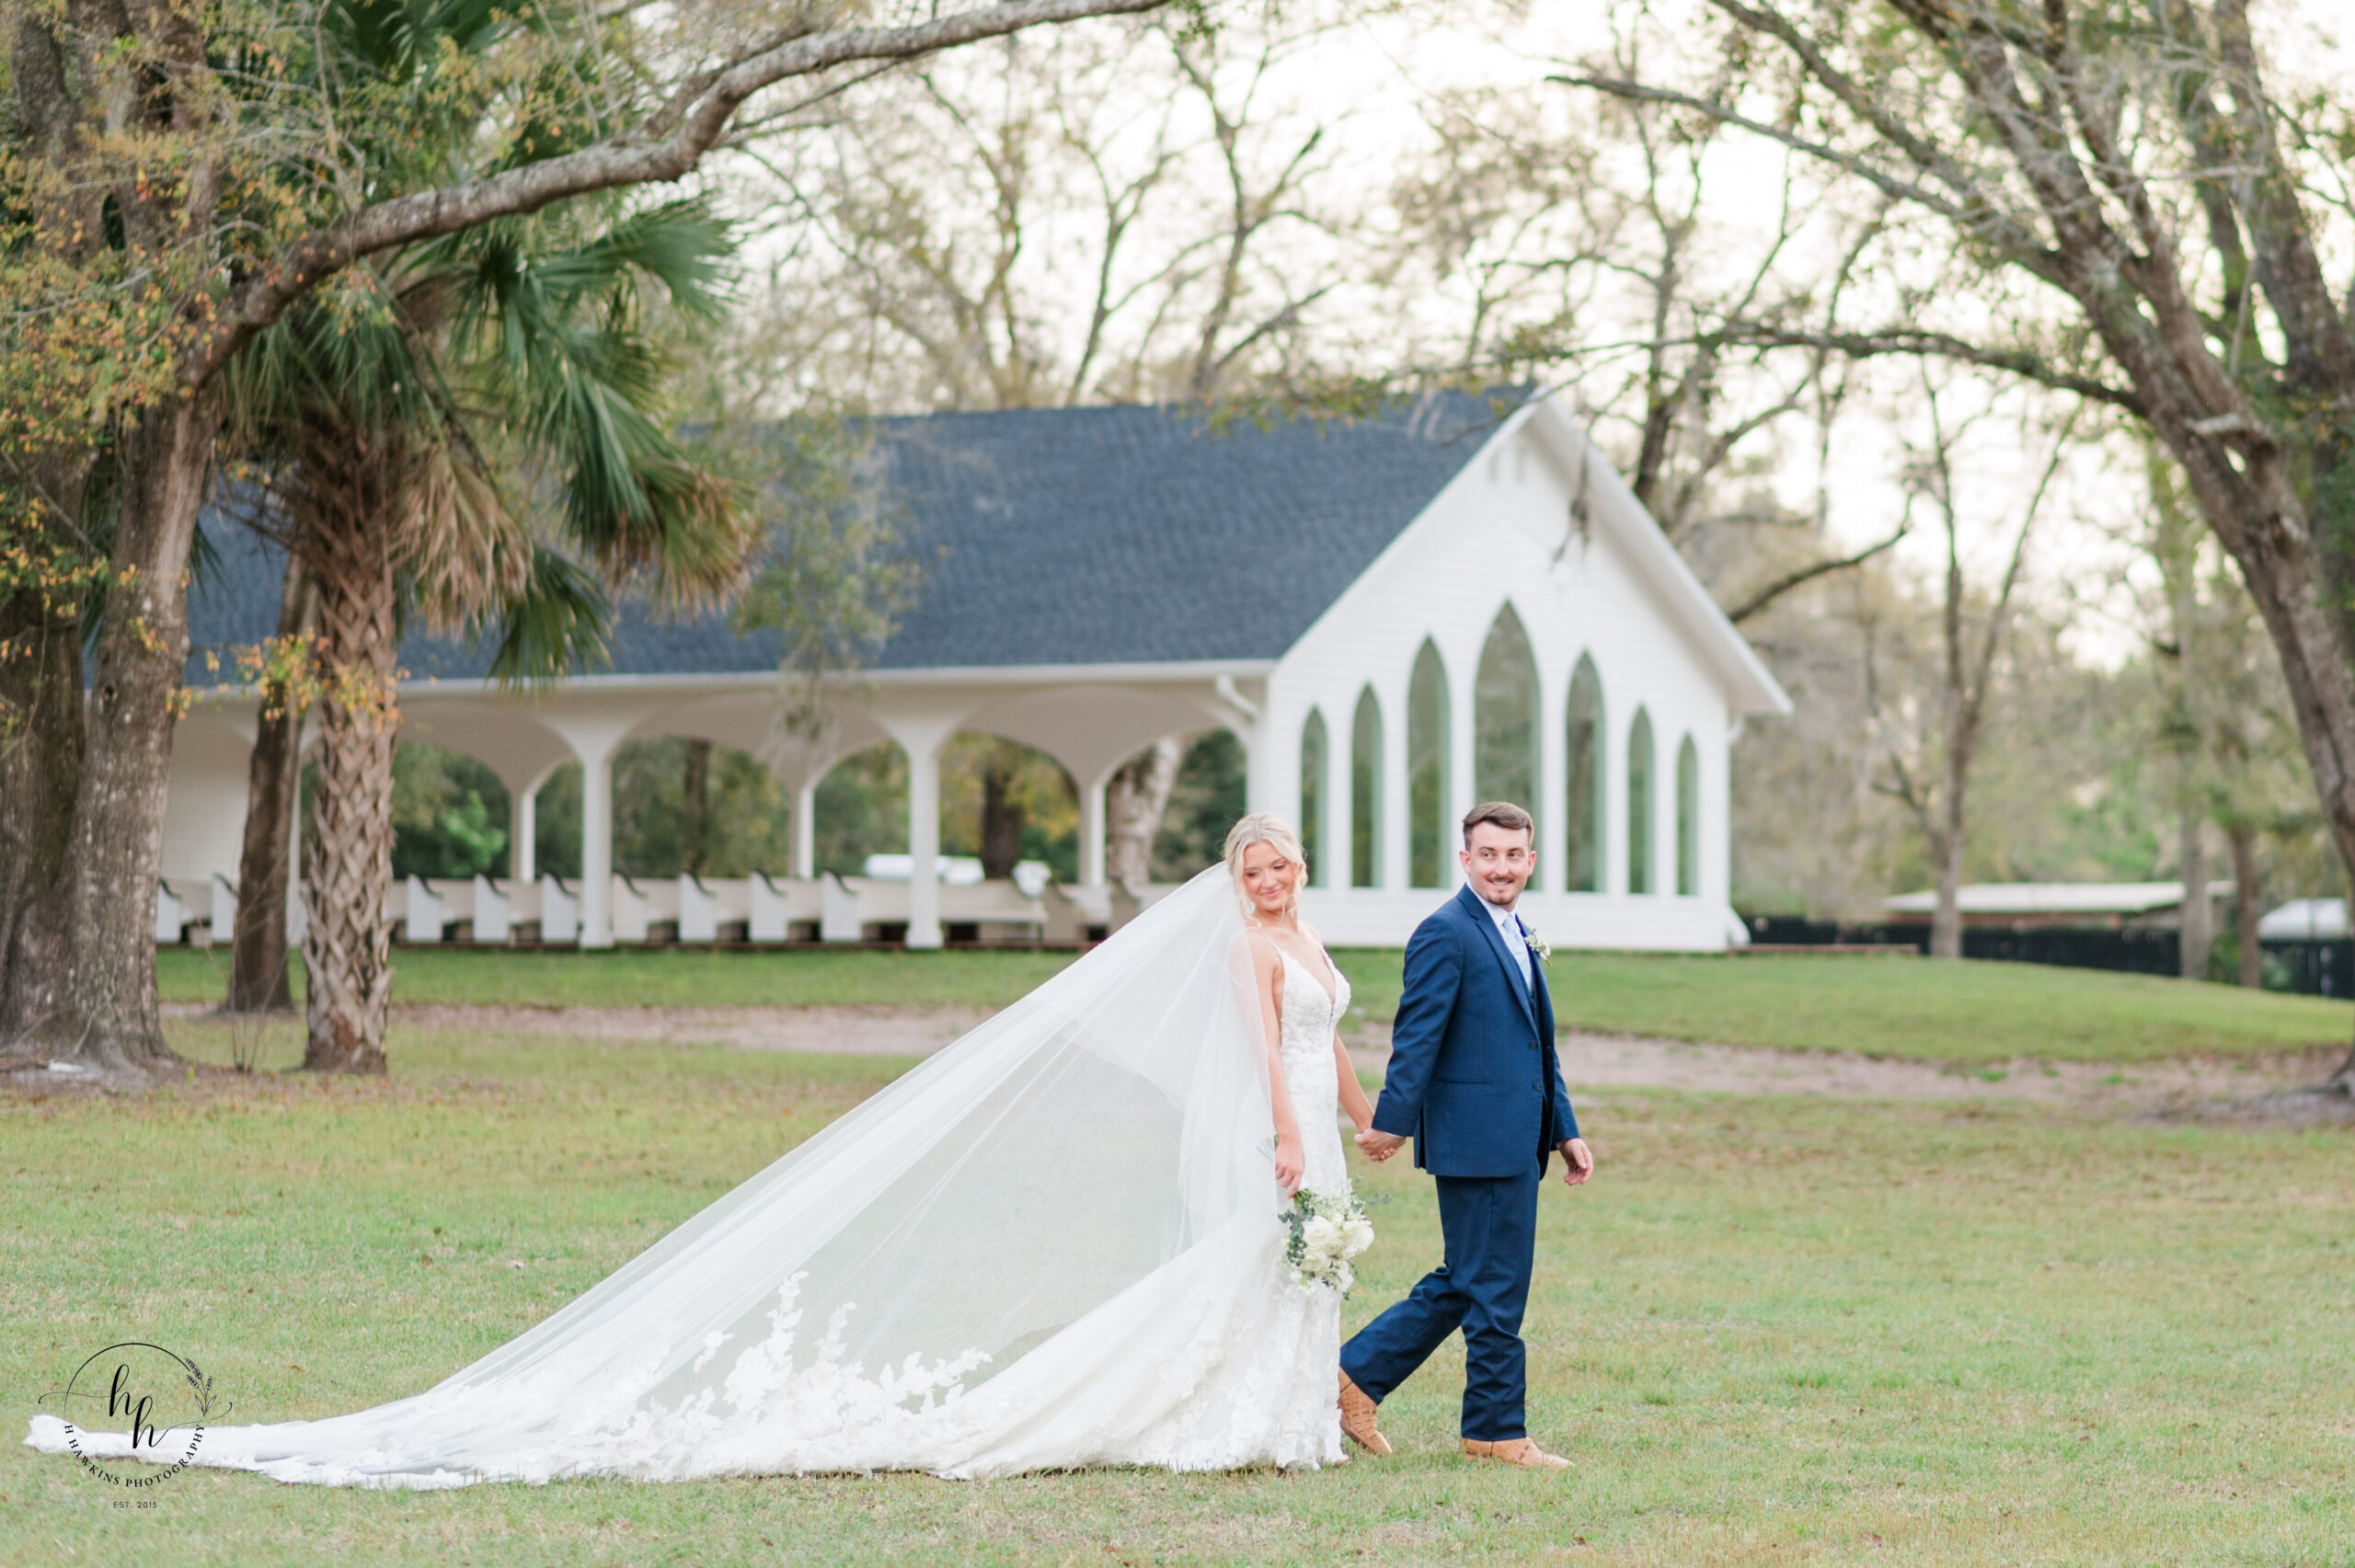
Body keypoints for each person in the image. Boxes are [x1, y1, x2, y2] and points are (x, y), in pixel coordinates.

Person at [29, 815, 1374, 1486]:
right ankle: (1236, 1409)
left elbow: (1330, 1037)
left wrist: (1354, 1119)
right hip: (1280, 1124)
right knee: (1264, 1257)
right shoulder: (1250, 950)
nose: (1271, 881)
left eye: (1283, 865)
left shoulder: (1309, 940)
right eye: (1254, 868)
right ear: (1235, 882)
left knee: (1301, 1272)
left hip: (1324, 1121)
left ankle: (1295, 1406)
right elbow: (1267, 1050)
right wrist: (1279, 1135)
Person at [1338, 800, 1594, 1470]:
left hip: (1519, 1137)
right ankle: (1496, 1428)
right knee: (1496, 1283)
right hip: (1474, 1139)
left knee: (1474, 1278)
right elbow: (1416, 1036)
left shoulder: (1518, 931)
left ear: (1530, 860)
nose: (1501, 867)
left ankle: (1353, 1378)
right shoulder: (1444, 931)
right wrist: (1392, 1120)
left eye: (1513, 855)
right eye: (1488, 854)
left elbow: (1541, 1047)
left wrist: (1565, 1130)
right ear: (1465, 859)